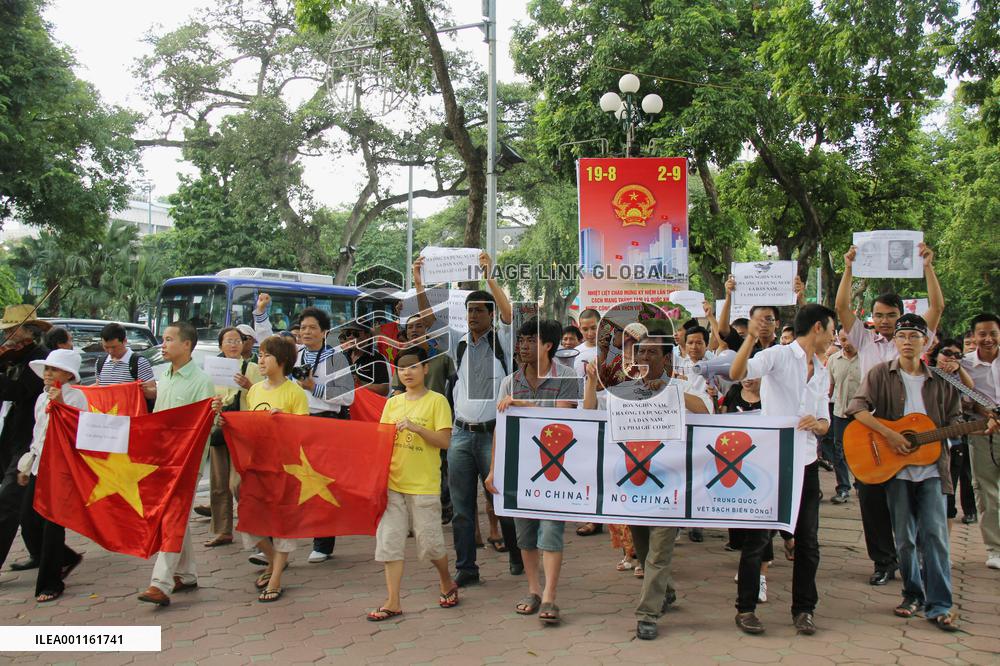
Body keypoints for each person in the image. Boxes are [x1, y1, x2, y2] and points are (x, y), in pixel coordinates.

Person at [847, 314, 981, 631]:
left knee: (935, 537)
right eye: (902, 336)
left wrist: (975, 428)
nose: (907, 341)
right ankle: (912, 594)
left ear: (927, 342)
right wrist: (891, 434)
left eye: (914, 336)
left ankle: (940, 605)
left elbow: (953, 421)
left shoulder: (943, 381)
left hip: (933, 470)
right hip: (895, 469)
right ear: (895, 341)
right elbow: (857, 408)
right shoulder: (881, 374)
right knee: (905, 538)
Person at [583, 320, 711, 640]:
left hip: (670, 486)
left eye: (651, 352)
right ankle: (665, 590)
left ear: (665, 358)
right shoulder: (622, 389)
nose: (643, 357)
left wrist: (672, 390)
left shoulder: (679, 386)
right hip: (633, 483)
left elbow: (706, 413)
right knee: (641, 548)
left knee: (659, 552)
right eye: (640, 352)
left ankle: (648, 614)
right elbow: (589, 416)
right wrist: (589, 384)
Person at [835, 241, 943, 586]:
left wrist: (928, 266)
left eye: (890, 316)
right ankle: (883, 561)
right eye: (878, 315)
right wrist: (849, 266)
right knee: (871, 498)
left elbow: (937, 307)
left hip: (909, 429)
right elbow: (841, 306)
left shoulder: (913, 339)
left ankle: (916, 560)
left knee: (909, 499)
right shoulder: (865, 340)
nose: (883, 322)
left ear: (903, 317)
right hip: (869, 427)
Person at [729, 304, 836, 636]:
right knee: (759, 539)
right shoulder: (777, 356)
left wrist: (817, 423)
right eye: (832, 329)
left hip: (806, 463)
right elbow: (737, 373)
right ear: (817, 328)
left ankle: (804, 609)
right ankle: (745, 608)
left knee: (808, 542)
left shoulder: (822, 369)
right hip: (772, 463)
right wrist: (750, 335)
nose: (834, 336)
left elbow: (825, 422)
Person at [485, 318, 580, 625]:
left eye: (529, 340)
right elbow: (501, 429)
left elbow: (565, 417)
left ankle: (551, 597)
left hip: (556, 468)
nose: (522, 346)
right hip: (519, 467)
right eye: (521, 340)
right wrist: (493, 471)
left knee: (552, 530)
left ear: (548, 346)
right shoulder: (508, 382)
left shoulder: (567, 376)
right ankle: (533, 590)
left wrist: (524, 404)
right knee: (524, 534)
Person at [255, 296, 356, 564]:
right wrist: (261, 314)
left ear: (325, 332)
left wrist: (315, 388)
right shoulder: (294, 353)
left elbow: (348, 396)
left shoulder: (335, 357)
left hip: (325, 424)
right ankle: (272, 543)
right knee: (284, 481)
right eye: (303, 327)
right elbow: (269, 346)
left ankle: (323, 543)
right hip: (294, 421)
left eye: (313, 327)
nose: (307, 332)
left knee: (320, 482)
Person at [445, 253, 525, 585]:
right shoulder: (458, 343)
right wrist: (420, 284)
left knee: (501, 500)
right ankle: (466, 568)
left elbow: (509, 313)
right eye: (470, 310)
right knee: (462, 509)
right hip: (461, 436)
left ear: (490, 315)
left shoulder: (502, 341)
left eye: (479, 310)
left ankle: (518, 556)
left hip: (495, 435)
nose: (473, 315)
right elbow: (431, 320)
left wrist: (489, 276)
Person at [368, 346, 457, 621]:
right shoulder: (393, 403)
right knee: (390, 542)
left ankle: (446, 580)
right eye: (402, 368)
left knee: (430, 544)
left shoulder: (437, 401)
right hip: (393, 484)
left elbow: (444, 441)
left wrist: (417, 429)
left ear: (425, 369)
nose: (407, 372)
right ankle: (392, 600)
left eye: (413, 367)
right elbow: (380, 441)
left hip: (424, 485)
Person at [221, 334, 309, 602]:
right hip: (256, 465)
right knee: (248, 518)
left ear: (281, 360)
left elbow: (304, 433)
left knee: (282, 524)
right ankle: (273, 561)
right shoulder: (256, 390)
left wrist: (284, 422)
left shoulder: (295, 393)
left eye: (265, 356)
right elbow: (249, 426)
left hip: (284, 467)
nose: (260, 360)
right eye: (259, 355)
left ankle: (276, 579)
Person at [138, 321, 215, 606]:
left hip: (186, 462)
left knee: (171, 516)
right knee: (175, 516)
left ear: (187, 345)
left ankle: (161, 583)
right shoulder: (165, 377)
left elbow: (203, 426)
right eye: (164, 339)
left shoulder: (201, 382)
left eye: (170, 339)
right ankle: (187, 573)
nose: (164, 344)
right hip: (162, 461)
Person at [15, 348, 87, 602]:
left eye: (53, 369)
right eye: (46, 369)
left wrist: (61, 404)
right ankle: (65, 557)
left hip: (61, 470)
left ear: (67, 375)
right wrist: (27, 464)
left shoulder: (77, 398)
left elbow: (76, 432)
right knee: (28, 519)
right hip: (39, 467)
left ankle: (51, 582)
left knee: (52, 527)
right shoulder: (41, 398)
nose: (47, 374)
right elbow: (39, 436)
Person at [199, 327, 263, 548]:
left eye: (238, 340)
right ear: (220, 346)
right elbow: (206, 399)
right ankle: (222, 531)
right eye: (229, 341)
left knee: (239, 483)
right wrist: (214, 406)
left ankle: (253, 525)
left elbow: (263, 395)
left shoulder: (252, 368)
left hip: (243, 431)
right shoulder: (212, 370)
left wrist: (249, 386)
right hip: (220, 427)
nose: (234, 344)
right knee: (218, 483)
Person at [0, 306, 51, 572]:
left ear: (28, 332)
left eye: (12, 329)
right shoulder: (13, 356)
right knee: (27, 504)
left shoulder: (40, 360)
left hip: (30, 440)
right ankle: (46, 553)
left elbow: (18, 391)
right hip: (10, 435)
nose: (7, 334)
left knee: (7, 500)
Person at [963, 312, 1000, 569]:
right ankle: (995, 548)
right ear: (973, 337)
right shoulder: (964, 365)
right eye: (982, 334)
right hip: (983, 434)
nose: (988, 339)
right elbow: (963, 400)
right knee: (986, 491)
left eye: (993, 333)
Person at [930, 339, 977, 525]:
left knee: (958, 481)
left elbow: (970, 391)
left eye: (957, 355)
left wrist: (959, 369)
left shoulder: (958, 377)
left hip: (956, 438)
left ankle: (968, 511)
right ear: (937, 354)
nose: (951, 358)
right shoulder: (925, 373)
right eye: (947, 353)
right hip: (929, 439)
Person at [827, 329, 861, 504]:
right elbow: (829, 387)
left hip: (863, 415)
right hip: (840, 412)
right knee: (838, 451)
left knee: (861, 451)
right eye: (843, 339)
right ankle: (843, 488)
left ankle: (861, 486)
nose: (846, 343)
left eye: (850, 339)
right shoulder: (833, 360)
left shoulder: (866, 359)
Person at [97, 323, 157, 405]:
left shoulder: (138, 362)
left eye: (114, 347)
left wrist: (144, 390)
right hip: (106, 414)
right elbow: (97, 388)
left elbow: (153, 394)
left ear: (125, 341)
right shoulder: (100, 362)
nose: (110, 351)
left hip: (130, 415)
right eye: (106, 347)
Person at [573, 309, 601, 377]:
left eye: (593, 328)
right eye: (585, 329)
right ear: (580, 329)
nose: (590, 333)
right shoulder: (575, 352)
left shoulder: (611, 351)